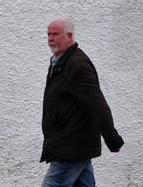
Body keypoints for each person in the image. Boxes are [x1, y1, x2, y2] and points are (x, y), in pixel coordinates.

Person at [41, 17, 124, 187]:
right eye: (48, 34)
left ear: (69, 36)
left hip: (71, 148)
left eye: (55, 34)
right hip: (72, 145)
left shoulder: (77, 66)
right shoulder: (59, 62)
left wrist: (112, 139)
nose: (50, 38)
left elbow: (98, 106)